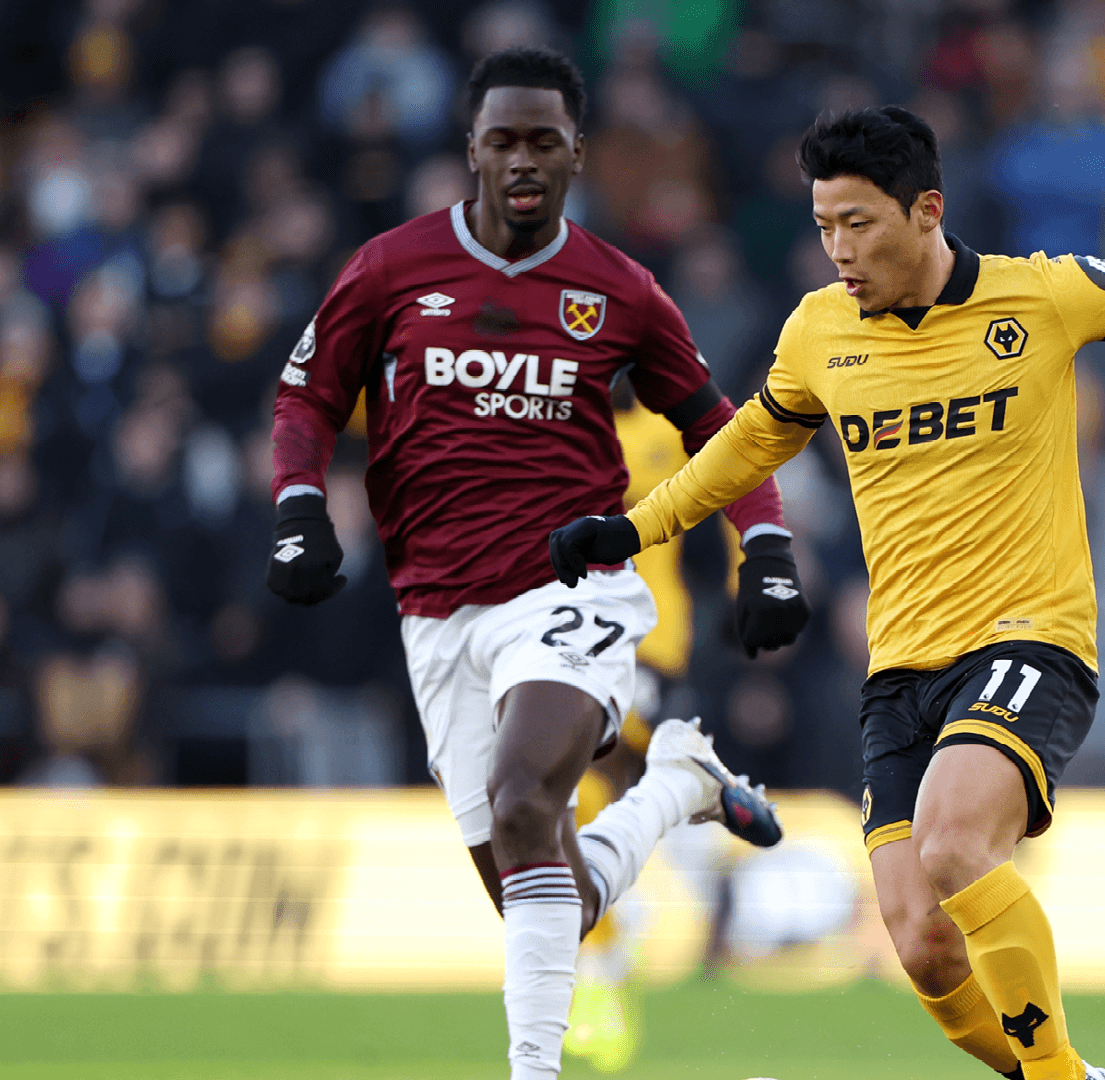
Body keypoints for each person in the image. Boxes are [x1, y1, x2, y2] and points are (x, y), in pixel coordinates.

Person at [549, 106, 1105, 1080]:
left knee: (955, 841)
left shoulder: (1040, 297)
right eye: (824, 226)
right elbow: (748, 444)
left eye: (859, 223)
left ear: (927, 211)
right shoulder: (819, 332)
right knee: (922, 943)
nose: (840, 250)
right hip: (900, 672)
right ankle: (1069, 1075)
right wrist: (635, 528)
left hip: (1029, 641)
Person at [266, 47, 812, 1080]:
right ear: (472, 149)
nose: (524, 159)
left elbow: (719, 427)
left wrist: (767, 544)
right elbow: (307, 396)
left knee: (524, 797)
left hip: (571, 590)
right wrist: (299, 502)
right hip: (437, 611)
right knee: (546, 894)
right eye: (504, 140)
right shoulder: (389, 269)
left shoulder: (619, 291)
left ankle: (533, 1071)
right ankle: (677, 785)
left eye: (545, 141)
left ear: (576, 153)